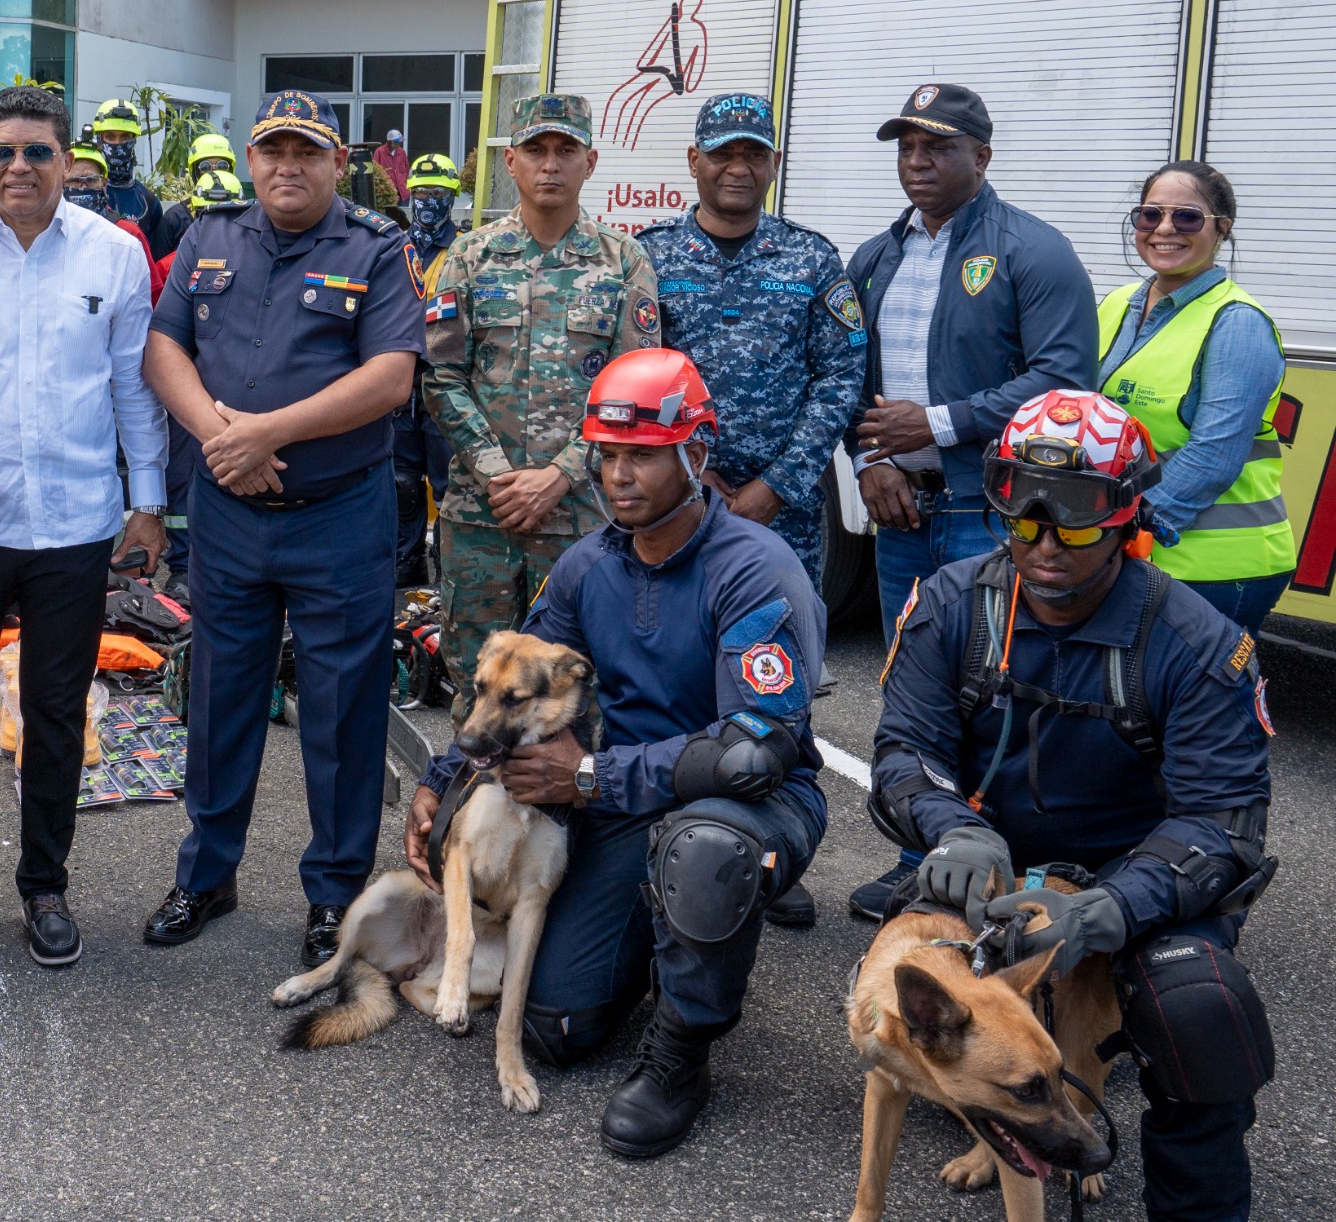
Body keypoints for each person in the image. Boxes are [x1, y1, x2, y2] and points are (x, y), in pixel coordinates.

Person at [406, 350, 828, 1160]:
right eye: (607, 454)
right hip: (622, 800)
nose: (618, 474)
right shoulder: (587, 564)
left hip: (751, 804)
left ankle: (682, 1055)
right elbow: (509, 683)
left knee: (708, 845)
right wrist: (443, 784)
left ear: (694, 453)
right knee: (559, 1028)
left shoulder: (755, 569)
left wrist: (593, 775)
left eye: (643, 454)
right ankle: (663, 930)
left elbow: (754, 750)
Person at [868, 389, 1274, 1221]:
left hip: (1132, 878)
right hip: (992, 867)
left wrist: (1109, 910)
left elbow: (1222, 823)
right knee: (911, 1007)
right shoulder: (950, 604)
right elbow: (904, 751)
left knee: (1200, 1012)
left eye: (1079, 513)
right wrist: (954, 828)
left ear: (1126, 514)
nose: (1047, 540)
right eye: (1024, 511)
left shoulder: (1194, 642)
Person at [140, 87, 423, 964]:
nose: (287, 167)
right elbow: (164, 349)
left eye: (307, 152)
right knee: (222, 694)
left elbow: (390, 379)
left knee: (341, 710)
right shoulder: (209, 236)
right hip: (230, 512)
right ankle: (206, 874)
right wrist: (227, 439)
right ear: (251, 158)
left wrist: (271, 431)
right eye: (273, 151)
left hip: (338, 516)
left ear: (339, 163)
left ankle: (336, 896)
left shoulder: (378, 249)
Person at [0, 83, 167, 968]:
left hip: (77, 531)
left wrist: (148, 502)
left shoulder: (114, 256)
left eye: (38, 152)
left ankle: (43, 884)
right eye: (4, 151)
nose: (20, 167)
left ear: (66, 159)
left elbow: (132, 387)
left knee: (54, 712)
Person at [845, 83, 1095, 919]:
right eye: (908, 147)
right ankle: (926, 862)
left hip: (993, 517)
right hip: (901, 518)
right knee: (913, 691)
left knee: (1001, 690)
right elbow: (846, 379)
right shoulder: (878, 257)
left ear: (981, 157)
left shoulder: (1034, 251)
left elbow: (1063, 379)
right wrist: (868, 459)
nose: (919, 162)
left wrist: (940, 423)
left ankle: (1014, 870)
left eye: (939, 147)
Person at [423, 93, 662, 689]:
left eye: (566, 150)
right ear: (510, 162)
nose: (550, 164)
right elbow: (440, 375)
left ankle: (576, 787)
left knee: (579, 688)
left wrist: (559, 475)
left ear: (591, 161)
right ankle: (478, 787)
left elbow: (632, 395)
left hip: (585, 520)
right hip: (484, 518)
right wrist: (496, 475)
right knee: (477, 688)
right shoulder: (468, 258)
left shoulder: (625, 262)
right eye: (535, 150)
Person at [635, 94, 865, 587]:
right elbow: (630, 375)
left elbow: (841, 376)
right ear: (695, 160)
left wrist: (778, 485)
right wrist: (685, 472)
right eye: (723, 154)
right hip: (673, 502)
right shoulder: (648, 258)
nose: (738, 169)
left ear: (775, 165)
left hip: (785, 516)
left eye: (755, 155)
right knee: (674, 648)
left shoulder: (812, 258)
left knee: (779, 647)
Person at [1096, 162, 1295, 632]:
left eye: (1186, 217)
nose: (1164, 229)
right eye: (1150, 216)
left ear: (1221, 228)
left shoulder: (1237, 322)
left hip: (1217, 566)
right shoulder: (1116, 303)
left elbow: (1213, 456)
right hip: (1134, 547)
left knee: (1195, 705)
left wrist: (1112, 528)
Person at [159, 163, 247, 582]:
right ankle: (181, 563)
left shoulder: (253, 258)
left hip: (234, 401)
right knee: (181, 479)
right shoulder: (170, 265)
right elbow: (160, 338)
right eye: (203, 212)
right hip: (185, 398)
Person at [390, 151, 464, 586]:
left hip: (445, 383)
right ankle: (406, 562)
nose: (428, 201)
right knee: (400, 485)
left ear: (453, 196)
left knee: (450, 484)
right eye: (420, 192)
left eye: (438, 193)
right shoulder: (392, 246)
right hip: (398, 386)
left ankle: (450, 568)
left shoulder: (467, 250)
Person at [63, 143, 164, 300]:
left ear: (104, 184)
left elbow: (152, 296)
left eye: (91, 180)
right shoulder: (46, 230)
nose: (83, 187)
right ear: (62, 184)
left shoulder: (128, 234)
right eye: (74, 181)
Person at [87, 96, 165, 248]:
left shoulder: (148, 202)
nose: (117, 144)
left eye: (124, 137)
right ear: (99, 139)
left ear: (134, 140)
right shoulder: (81, 192)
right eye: (110, 137)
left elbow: (154, 262)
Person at [153, 130, 237, 260]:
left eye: (222, 165)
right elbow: (159, 268)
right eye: (205, 167)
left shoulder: (243, 214)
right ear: (194, 173)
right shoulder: (174, 218)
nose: (214, 172)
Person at [374, 126, 410, 198]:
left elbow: (407, 169)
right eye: (397, 141)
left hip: (403, 191)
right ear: (390, 141)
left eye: (400, 141)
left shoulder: (402, 151)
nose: (400, 143)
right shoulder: (379, 152)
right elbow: (375, 171)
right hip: (388, 192)